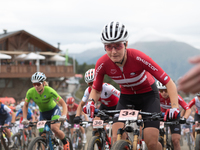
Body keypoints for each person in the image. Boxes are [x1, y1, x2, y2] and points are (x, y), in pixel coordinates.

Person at [81, 21, 180, 150]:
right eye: (109, 47)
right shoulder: (102, 63)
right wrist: (91, 102)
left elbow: (168, 82)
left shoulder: (138, 57)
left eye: (118, 46)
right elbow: (96, 89)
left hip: (148, 96)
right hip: (126, 97)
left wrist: (174, 107)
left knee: (151, 143)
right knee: (116, 137)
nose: (113, 51)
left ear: (126, 44)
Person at [21, 72, 70, 150]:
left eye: (38, 84)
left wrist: (63, 115)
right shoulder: (30, 92)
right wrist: (24, 118)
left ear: (43, 83)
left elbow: (63, 103)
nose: (36, 86)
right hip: (43, 113)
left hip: (54, 110)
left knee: (54, 128)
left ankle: (65, 143)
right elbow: (25, 105)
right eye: (34, 84)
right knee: (42, 134)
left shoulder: (49, 90)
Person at [156, 81, 191, 150]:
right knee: (155, 140)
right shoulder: (157, 96)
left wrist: (184, 118)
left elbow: (188, 109)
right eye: (161, 90)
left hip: (174, 118)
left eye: (166, 90)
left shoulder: (176, 96)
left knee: (175, 141)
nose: (163, 93)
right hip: (161, 117)